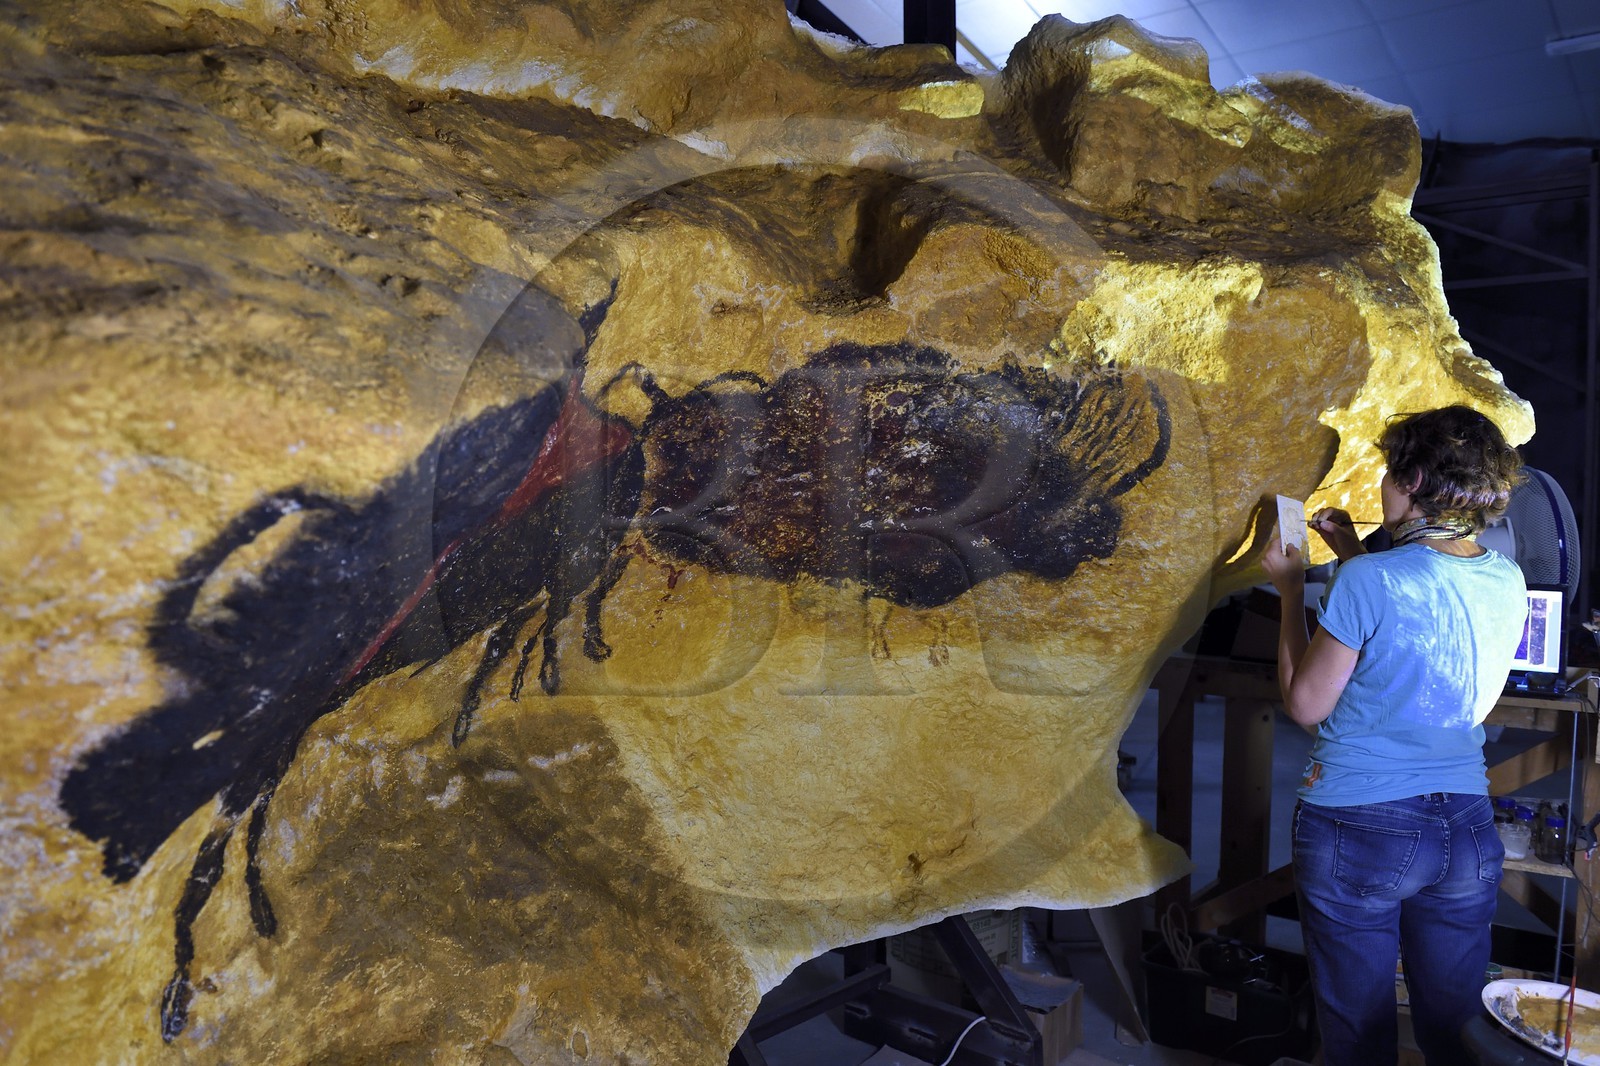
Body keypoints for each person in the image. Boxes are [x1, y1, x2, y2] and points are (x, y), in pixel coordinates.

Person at [1260, 405, 1528, 1066]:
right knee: (1460, 1030)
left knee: (1359, 1038)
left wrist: (1293, 590)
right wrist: (1353, 550)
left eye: (1387, 474)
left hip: (1359, 827)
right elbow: (1416, 620)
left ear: (1409, 482)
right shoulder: (1506, 578)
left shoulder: (1368, 582)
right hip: (1465, 830)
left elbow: (1304, 702)